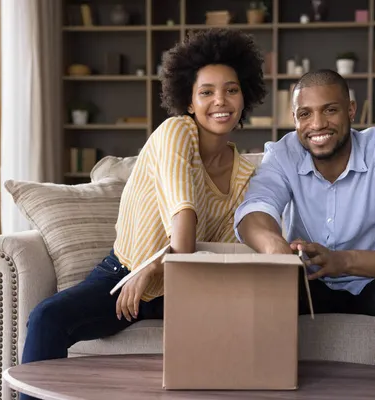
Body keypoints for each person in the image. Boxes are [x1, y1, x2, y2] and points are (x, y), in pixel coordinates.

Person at [19, 28, 267, 399]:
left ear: (244, 96)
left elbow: (215, 253)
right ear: (188, 101)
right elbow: (184, 234)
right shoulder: (175, 133)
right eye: (207, 92)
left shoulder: (247, 173)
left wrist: (155, 270)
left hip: (185, 287)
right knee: (47, 317)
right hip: (124, 273)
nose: (221, 101)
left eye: (231, 89)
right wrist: (146, 269)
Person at [233, 69, 375, 369]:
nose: (317, 124)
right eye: (305, 114)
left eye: (330, 110)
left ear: (351, 110)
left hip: (374, 278)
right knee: (262, 286)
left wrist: (341, 260)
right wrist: (274, 248)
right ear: (295, 120)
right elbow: (254, 210)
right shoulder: (282, 154)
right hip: (310, 281)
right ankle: (270, 386)